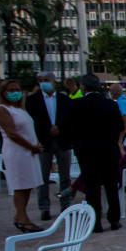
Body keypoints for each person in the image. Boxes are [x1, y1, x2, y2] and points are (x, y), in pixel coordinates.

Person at [62, 73, 123, 232]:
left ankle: (96, 222)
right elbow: (118, 127)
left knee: (92, 186)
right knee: (111, 185)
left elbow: (70, 128)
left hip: (87, 150)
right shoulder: (111, 105)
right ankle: (114, 219)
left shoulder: (76, 105)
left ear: (83, 86)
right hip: (108, 149)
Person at [0, 80, 45, 232]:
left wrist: (36, 144)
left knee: (27, 185)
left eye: (17, 89)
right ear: (3, 92)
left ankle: (20, 215)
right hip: (17, 152)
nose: (15, 92)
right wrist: (31, 146)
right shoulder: (1, 109)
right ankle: (22, 218)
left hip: (29, 151)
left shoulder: (20, 109)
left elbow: (27, 130)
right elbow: (12, 134)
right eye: (11, 90)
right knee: (20, 186)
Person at [26, 71, 73, 221]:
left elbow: (69, 117)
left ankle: (65, 204)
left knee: (65, 176)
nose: (43, 82)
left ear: (53, 81)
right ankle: (44, 207)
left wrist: (59, 127)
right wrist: (48, 129)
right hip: (43, 141)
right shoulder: (33, 100)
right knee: (43, 177)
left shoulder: (64, 99)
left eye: (46, 80)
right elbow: (33, 120)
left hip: (62, 140)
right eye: (40, 80)